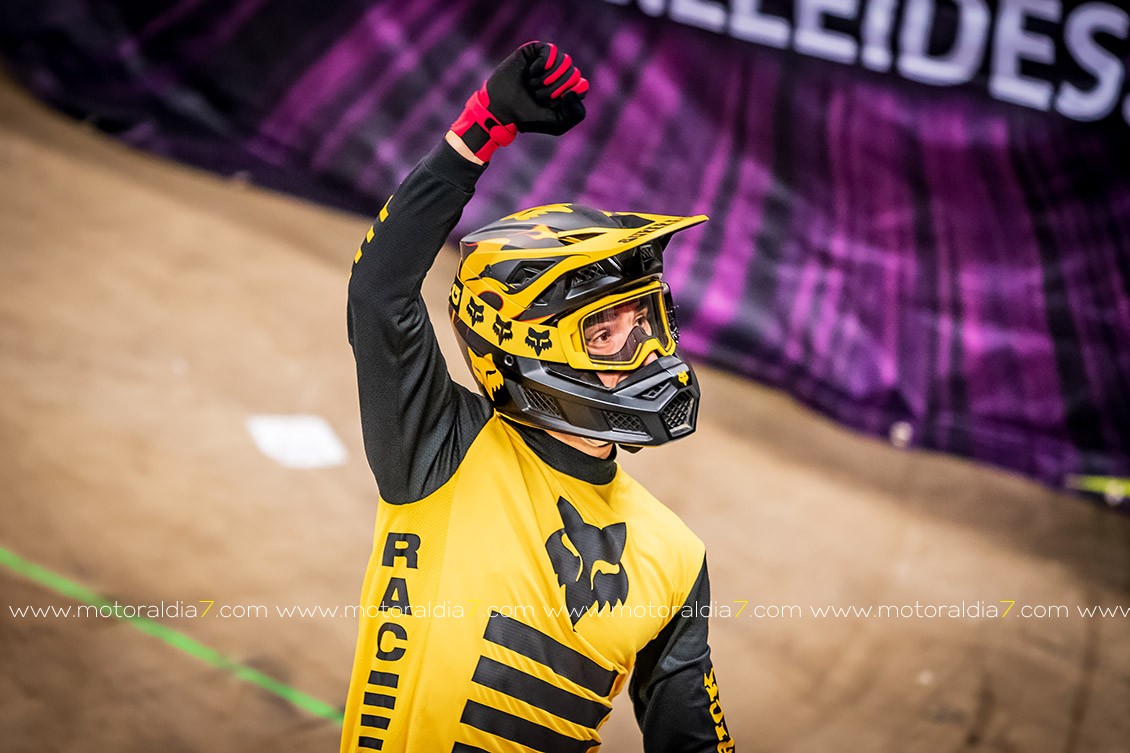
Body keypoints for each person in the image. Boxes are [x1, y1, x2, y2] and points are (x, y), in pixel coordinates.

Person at [343, 41, 733, 753]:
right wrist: (479, 131)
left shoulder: (678, 558)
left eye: (646, 320)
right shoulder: (442, 450)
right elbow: (379, 293)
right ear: (531, 350)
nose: (647, 349)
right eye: (605, 332)